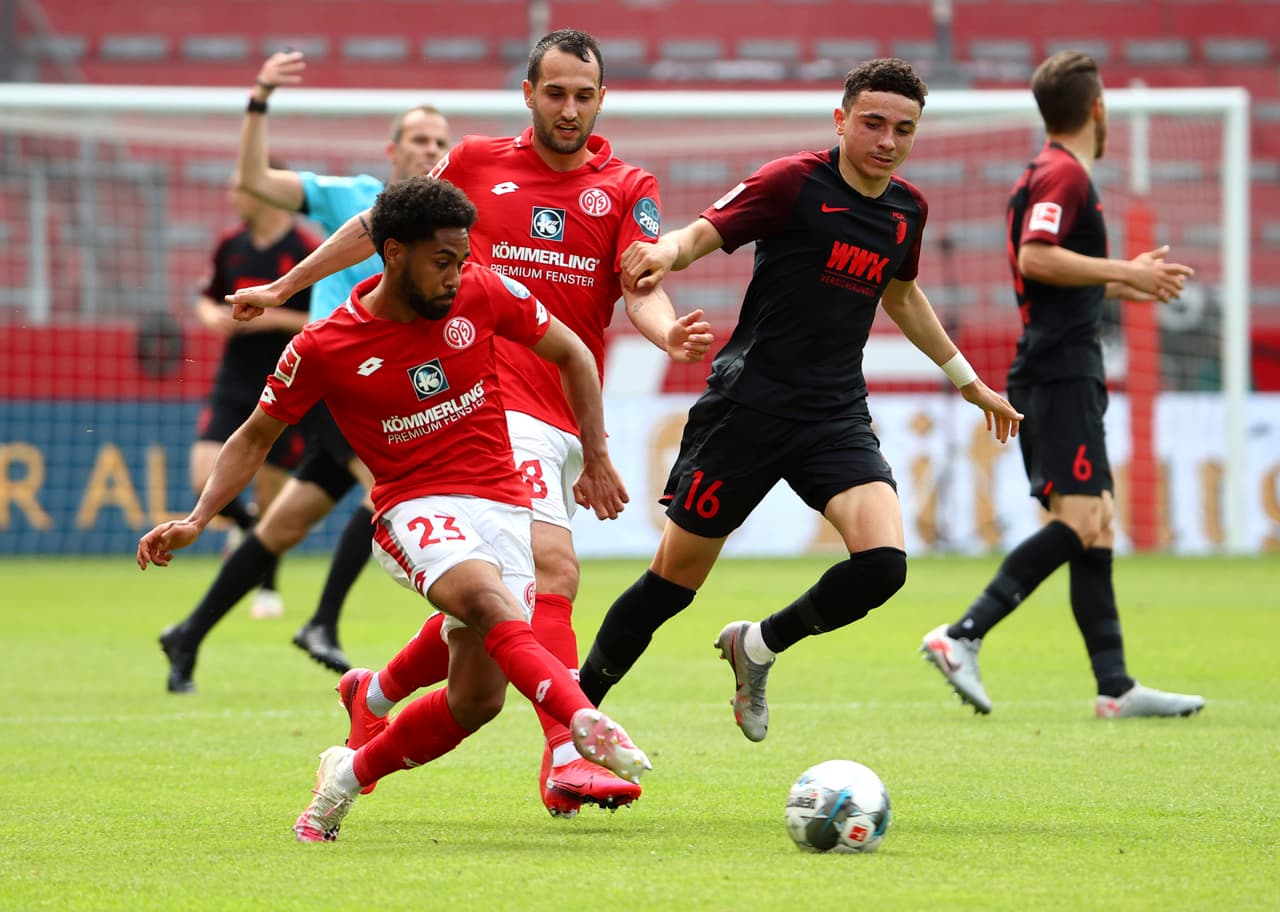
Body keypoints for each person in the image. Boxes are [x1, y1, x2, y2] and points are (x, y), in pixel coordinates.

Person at [228, 29, 712, 817]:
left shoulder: (628, 185)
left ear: (601, 99)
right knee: (553, 572)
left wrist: (665, 336)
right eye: (554, 92)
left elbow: (641, 280)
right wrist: (286, 284)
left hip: (565, 404)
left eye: (583, 95)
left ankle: (374, 690)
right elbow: (377, 224)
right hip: (494, 401)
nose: (568, 108)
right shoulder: (480, 162)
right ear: (529, 93)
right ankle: (567, 752)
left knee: (490, 619)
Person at [138, 176, 651, 843]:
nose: (455, 274)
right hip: (412, 506)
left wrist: (598, 453)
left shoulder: (481, 290)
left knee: (476, 702)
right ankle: (579, 722)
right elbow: (254, 436)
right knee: (487, 601)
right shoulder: (325, 346)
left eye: (461, 259)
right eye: (442, 260)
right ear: (392, 252)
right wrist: (199, 517)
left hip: (499, 501)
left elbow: (574, 354)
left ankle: (346, 775)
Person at [571, 58, 1022, 743]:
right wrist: (664, 254)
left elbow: (899, 293)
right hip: (747, 408)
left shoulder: (907, 209)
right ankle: (573, 712)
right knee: (672, 584)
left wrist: (967, 379)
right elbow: (703, 232)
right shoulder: (793, 182)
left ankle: (757, 646)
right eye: (872, 122)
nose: (887, 139)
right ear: (840, 120)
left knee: (883, 567)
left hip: (833, 413)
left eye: (904, 128)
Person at [918, 51, 1205, 719]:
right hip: (1057, 370)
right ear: (1098, 109)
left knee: (1098, 522)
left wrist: (1118, 274)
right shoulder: (1063, 173)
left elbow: (1050, 263)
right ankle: (962, 634)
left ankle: (1115, 686)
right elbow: (1035, 257)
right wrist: (1127, 273)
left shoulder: (1054, 172)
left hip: (1068, 367)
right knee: (1079, 520)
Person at [157, 50, 453, 691]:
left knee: (280, 528)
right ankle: (322, 622)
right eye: (419, 140)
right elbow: (257, 179)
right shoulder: (352, 198)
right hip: (332, 377)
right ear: (394, 149)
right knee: (389, 488)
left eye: (440, 141)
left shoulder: (447, 225)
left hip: (384, 389)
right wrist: (260, 98)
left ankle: (187, 633)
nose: (430, 149)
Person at [190, 165, 318, 620]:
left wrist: (273, 317)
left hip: (287, 379)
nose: (232, 196)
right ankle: (243, 531)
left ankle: (268, 586)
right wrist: (211, 318)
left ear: (266, 192)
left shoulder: (306, 249)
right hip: (235, 375)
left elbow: (324, 319)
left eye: (238, 188)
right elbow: (207, 297)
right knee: (203, 476)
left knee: (269, 497)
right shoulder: (231, 244)